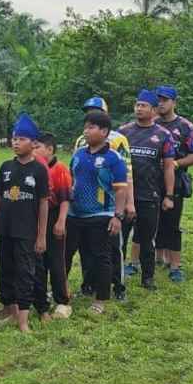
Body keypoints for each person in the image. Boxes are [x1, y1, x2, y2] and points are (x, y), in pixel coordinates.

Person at [0, 114, 50, 333]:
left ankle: (23, 318)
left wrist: (41, 236)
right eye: (14, 138)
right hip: (5, 230)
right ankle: (8, 309)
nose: (15, 142)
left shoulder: (39, 171)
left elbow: (43, 204)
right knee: (5, 269)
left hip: (26, 232)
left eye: (21, 139)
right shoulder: (5, 167)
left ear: (33, 143)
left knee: (25, 273)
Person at [66, 109, 129, 313]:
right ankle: (61, 292)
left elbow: (121, 189)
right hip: (74, 215)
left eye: (91, 127)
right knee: (67, 254)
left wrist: (118, 216)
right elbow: (70, 180)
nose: (86, 131)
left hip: (100, 215)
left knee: (101, 257)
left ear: (104, 132)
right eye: (85, 127)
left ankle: (100, 299)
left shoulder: (114, 158)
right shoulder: (77, 155)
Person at [118, 89, 176, 290]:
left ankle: (148, 278)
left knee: (146, 240)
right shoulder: (123, 132)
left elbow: (169, 167)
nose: (139, 108)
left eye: (143, 105)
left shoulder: (163, 135)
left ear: (153, 110)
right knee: (118, 240)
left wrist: (168, 195)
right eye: (137, 105)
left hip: (149, 196)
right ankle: (115, 278)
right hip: (123, 196)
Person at [153, 85, 193, 281]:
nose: (161, 103)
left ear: (174, 102)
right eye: (159, 100)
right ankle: (157, 259)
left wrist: (174, 163)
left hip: (176, 181)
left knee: (172, 223)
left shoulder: (185, 126)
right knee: (152, 223)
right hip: (151, 180)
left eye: (165, 100)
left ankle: (175, 266)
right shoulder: (152, 123)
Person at [33, 132, 73, 321]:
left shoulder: (60, 169)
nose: (34, 151)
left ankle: (62, 301)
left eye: (37, 147)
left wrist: (61, 221)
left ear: (49, 149)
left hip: (54, 216)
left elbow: (65, 199)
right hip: (35, 219)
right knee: (38, 262)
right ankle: (40, 300)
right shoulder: (33, 168)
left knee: (56, 261)